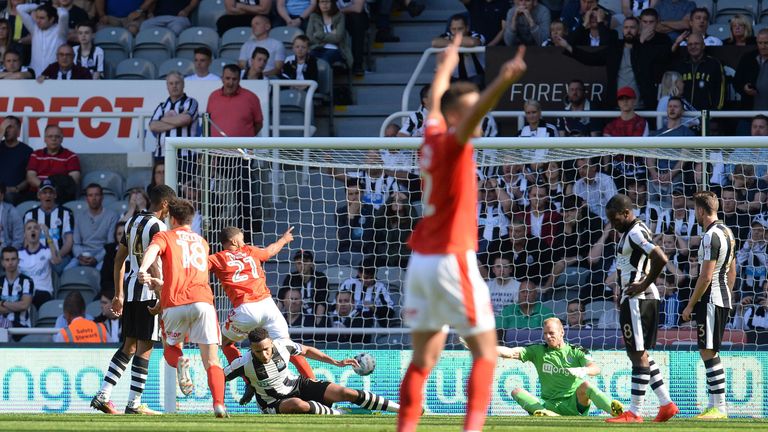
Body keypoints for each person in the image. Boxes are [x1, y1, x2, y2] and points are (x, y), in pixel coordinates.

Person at [398, 34, 527, 432]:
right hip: (452, 258)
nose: (478, 118)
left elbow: (437, 95)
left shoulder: (431, 135)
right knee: (486, 354)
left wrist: (448, 61)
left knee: (422, 360)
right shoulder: (453, 142)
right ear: (459, 115)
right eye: (471, 111)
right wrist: (502, 81)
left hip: (420, 261)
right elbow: (470, 114)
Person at [208, 225, 316, 406]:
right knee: (290, 346)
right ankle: (314, 385)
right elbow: (269, 252)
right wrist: (284, 239)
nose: (244, 242)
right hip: (269, 306)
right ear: (234, 241)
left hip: (245, 309)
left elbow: (196, 267)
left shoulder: (217, 258)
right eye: (242, 238)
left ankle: (250, 381)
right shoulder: (250, 251)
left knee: (225, 342)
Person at [137, 198, 227, 417]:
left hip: (175, 303)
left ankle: (180, 361)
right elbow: (188, 274)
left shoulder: (165, 236)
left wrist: (144, 268)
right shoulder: (202, 242)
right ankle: (218, 404)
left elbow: (152, 251)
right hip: (203, 302)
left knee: (171, 347)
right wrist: (163, 283)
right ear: (191, 219)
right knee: (212, 360)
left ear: (172, 218)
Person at [90, 185, 175, 416]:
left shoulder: (131, 222)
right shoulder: (159, 226)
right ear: (165, 204)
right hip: (149, 290)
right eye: (170, 206)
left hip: (130, 289)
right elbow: (156, 263)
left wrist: (119, 295)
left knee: (129, 345)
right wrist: (160, 295)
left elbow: (119, 260)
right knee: (145, 347)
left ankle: (103, 395)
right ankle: (134, 403)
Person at [604, 193, 678, 423]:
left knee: (637, 354)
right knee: (639, 353)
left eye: (615, 219)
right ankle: (666, 404)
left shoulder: (635, 232)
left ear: (627, 213)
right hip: (634, 298)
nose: (613, 224)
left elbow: (661, 258)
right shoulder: (630, 231)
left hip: (640, 299)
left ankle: (635, 412)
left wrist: (644, 283)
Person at [225, 328, 403, 415]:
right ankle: (341, 413)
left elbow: (307, 350)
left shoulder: (282, 345)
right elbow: (220, 375)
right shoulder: (243, 363)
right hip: (272, 401)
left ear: (271, 343)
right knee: (297, 404)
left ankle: (402, 410)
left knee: (347, 392)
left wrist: (335, 362)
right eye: (258, 351)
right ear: (251, 349)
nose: (263, 354)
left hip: (297, 384)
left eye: (266, 349)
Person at [681, 191, 737, 419]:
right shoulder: (728, 233)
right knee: (710, 350)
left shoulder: (710, 236)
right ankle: (715, 405)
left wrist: (690, 306)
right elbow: (732, 270)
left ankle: (720, 408)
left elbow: (705, 276)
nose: (695, 213)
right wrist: (727, 295)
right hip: (722, 297)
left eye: (695, 209)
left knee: (707, 351)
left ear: (702, 211)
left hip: (711, 299)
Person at [494, 317, 622, 417]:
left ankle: (615, 412)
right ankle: (547, 414)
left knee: (586, 386)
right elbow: (510, 352)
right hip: (548, 404)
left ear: (562, 332)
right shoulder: (538, 350)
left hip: (574, 403)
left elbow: (596, 368)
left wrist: (584, 370)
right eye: (545, 334)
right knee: (516, 392)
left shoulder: (576, 351)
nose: (548, 337)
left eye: (551, 333)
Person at [23, 179, 74, 273]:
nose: (48, 195)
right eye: (44, 192)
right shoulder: (29, 215)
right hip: (36, 256)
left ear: (55, 195)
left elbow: (69, 242)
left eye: (51, 192)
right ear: (39, 195)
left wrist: (57, 256)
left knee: (52, 268)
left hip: (60, 255)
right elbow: (26, 242)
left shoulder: (66, 213)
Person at [149, 71, 199, 160]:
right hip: (161, 154)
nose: (174, 86)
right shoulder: (162, 106)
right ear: (167, 86)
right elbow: (153, 126)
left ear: (183, 84)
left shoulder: (191, 102)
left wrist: (162, 119)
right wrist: (177, 121)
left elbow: (185, 120)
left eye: (177, 83)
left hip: (185, 156)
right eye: (171, 83)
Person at [26, 124, 81, 200]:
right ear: (45, 139)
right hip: (37, 193)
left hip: (60, 195)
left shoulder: (71, 156)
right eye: (50, 136)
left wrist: (53, 191)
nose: (54, 139)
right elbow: (31, 177)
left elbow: (75, 179)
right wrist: (46, 189)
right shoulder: (36, 155)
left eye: (57, 136)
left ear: (62, 139)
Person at [71, 183, 119, 270]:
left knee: (100, 272)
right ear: (86, 198)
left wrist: (97, 258)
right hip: (83, 254)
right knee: (68, 270)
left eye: (97, 195)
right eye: (90, 195)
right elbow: (76, 243)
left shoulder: (112, 216)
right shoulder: (79, 217)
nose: (94, 198)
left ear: (102, 197)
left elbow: (110, 244)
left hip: (102, 254)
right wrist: (79, 256)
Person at [207, 64, 263, 137]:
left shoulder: (251, 97)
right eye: (227, 78)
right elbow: (208, 122)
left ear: (239, 80)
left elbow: (258, 124)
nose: (230, 83)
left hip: (243, 147)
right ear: (222, 79)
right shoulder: (213, 96)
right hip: (216, 147)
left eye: (234, 79)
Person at [673, 32, 725, 111]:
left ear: (703, 46)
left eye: (696, 44)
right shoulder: (680, 65)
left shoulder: (714, 64)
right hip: (684, 115)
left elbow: (720, 91)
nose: (693, 46)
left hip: (706, 115)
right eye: (690, 44)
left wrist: (715, 114)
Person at [431, 14, 486, 88]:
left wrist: (451, 41)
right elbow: (435, 42)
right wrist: (459, 42)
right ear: (450, 29)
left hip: (476, 76)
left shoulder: (476, 35)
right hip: (454, 78)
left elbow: (471, 42)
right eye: (454, 29)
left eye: (460, 29)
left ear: (467, 28)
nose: (457, 32)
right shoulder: (446, 35)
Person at [17, 2, 68, 77]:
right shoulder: (35, 29)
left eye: (42, 18)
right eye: (37, 17)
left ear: (51, 19)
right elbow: (20, 8)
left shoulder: (60, 31)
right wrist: (39, 6)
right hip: (35, 77)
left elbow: (64, 14)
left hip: (54, 77)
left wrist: (54, 8)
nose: (38, 21)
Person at [19, 219, 60, 309]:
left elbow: (57, 260)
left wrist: (48, 236)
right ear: (24, 234)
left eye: (36, 228)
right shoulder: (19, 254)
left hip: (43, 292)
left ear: (40, 233)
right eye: (29, 228)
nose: (33, 230)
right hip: (24, 293)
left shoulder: (47, 251)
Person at [0, 246, 34, 338]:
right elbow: (21, 305)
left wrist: (3, 303)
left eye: (13, 259)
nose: (10, 262)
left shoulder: (27, 281)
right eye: (7, 260)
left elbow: (24, 305)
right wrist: (17, 306)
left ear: (18, 260)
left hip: (22, 328)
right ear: (2, 262)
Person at [306, 0, 352, 68]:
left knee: (324, 60)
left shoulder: (339, 16)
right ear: (318, 4)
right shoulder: (313, 17)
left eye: (327, 1)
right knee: (309, 59)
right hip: (317, 48)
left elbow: (338, 38)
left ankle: (323, 78)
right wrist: (330, 34)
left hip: (335, 50)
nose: (325, 4)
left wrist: (319, 35)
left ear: (332, 3)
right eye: (322, 2)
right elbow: (309, 38)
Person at [734, 28, 768, 112]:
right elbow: (736, 82)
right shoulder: (747, 58)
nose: (763, 46)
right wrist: (744, 88)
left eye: (766, 43)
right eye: (760, 43)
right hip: (748, 111)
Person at [0, 183, 23, 248]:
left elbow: (18, 240)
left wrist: (9, 255)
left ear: (2, 195)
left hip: (5, 252)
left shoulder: (12, 212)